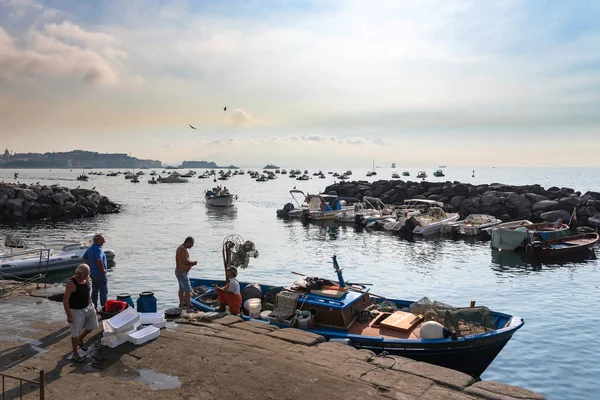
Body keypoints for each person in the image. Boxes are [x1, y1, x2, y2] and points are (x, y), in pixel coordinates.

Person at [63, 264, 98, 362]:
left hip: (88, 307)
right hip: (76, 310)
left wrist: (91, 303)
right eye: (86, 274)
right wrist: (69, 315)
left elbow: (87, 292)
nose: (88, 276)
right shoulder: (71, 283)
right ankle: (75, 354)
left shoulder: (86, 280)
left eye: (88, 273)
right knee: (75, 333)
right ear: (78, 273)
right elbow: (65, 301)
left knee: (93, 325)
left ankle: (81, 339)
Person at [82, 233, 108, 311]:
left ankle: (94, 307)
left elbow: (84, 258)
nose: (104, 241)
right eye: (102, 240)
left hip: (92, 273)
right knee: (103, 292)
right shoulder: (98, 249)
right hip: (99, 274)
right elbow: (99, 260)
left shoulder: (90, 248)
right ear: (97, 240)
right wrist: (102, 270)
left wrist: (89, 266)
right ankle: (104, 308)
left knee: (95, 291)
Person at [176, 237, 197, 310]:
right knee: (187, 290)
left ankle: (181, 304)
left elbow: (186, 259)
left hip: (181, 272)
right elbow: (185, 261)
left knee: (181, 288)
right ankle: (189, 305)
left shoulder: (182, 248)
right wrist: (193, 262)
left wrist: (190, 262)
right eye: (192, 244)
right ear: (187, 242)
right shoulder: (182, 249)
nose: (192, 245)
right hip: (181, 272)